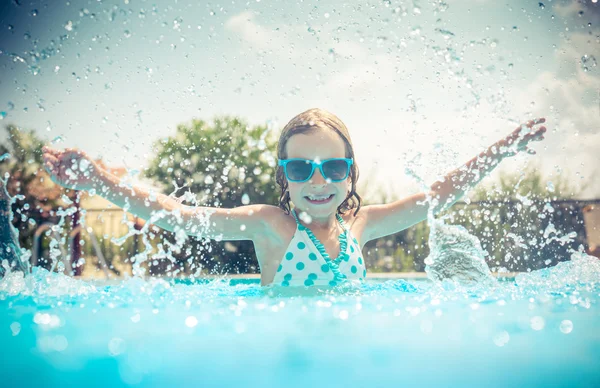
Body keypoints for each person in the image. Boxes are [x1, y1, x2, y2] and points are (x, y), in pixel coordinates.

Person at [35, 108, 546, 286]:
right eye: (301, 167)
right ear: (285, 175)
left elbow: (438, 195)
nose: (318, 180)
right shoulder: (270, 225)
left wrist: (503, 149)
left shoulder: (360, 226)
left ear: (350, 174)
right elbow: (179, 216)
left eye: (333, 167)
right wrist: (101, 181)